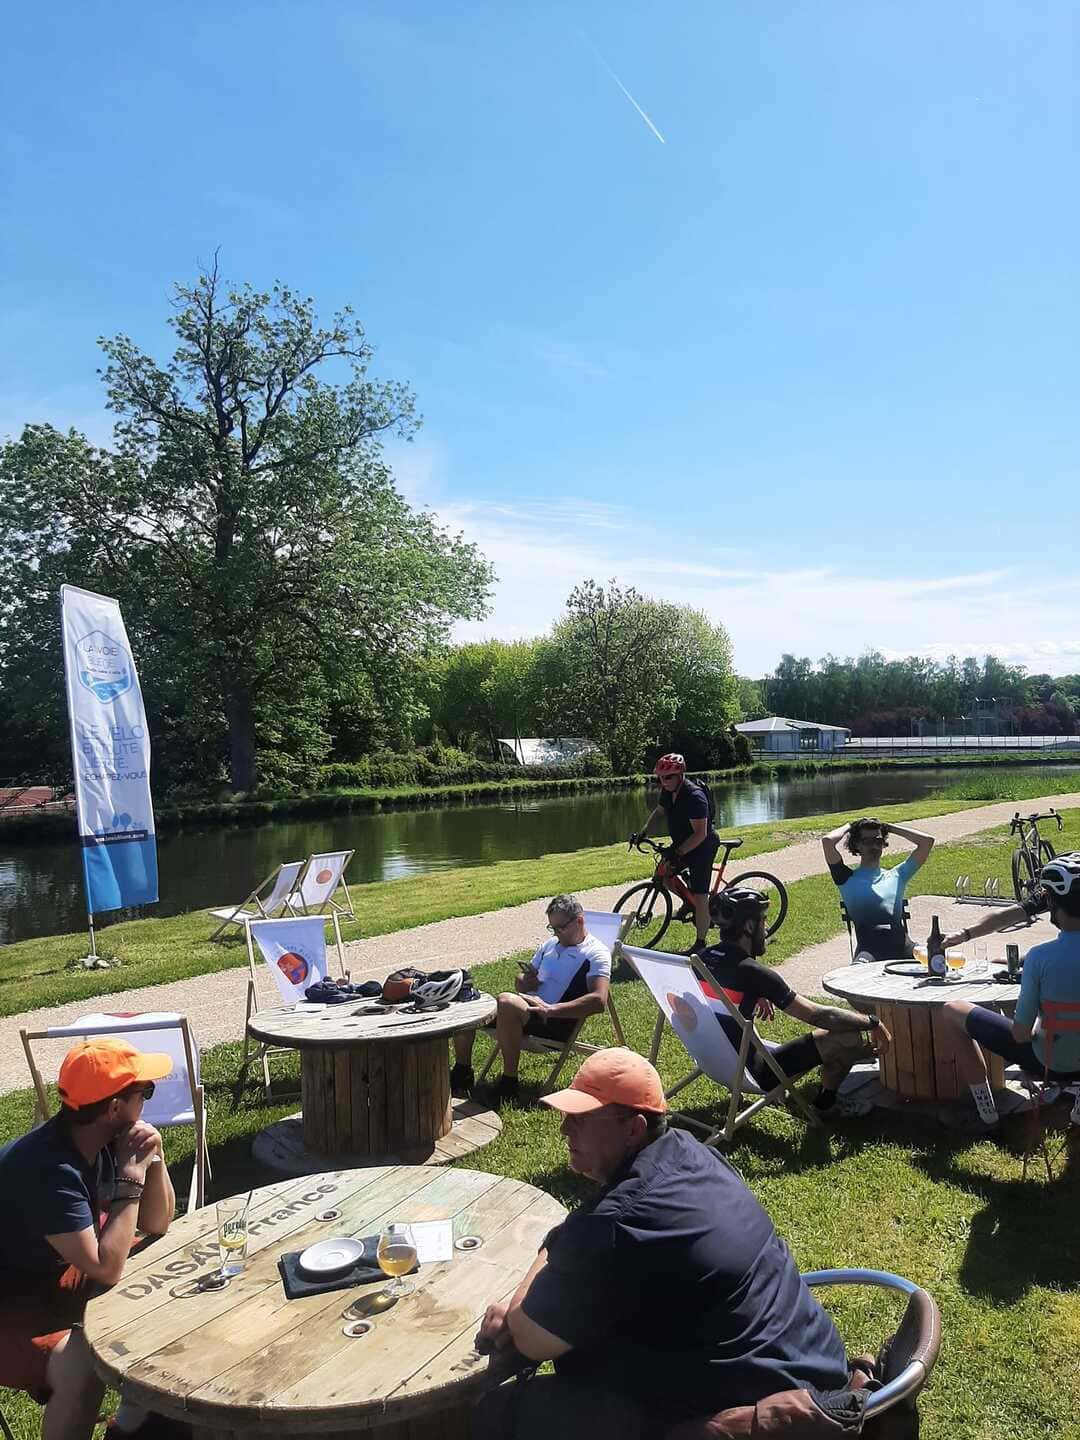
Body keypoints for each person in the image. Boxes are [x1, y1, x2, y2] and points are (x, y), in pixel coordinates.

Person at [471, 1049, 852, 1440]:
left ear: (634, 1129)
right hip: (813, 1365)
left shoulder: (618, 1221)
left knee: (498, 1411)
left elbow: (530, 1338)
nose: (565, 1129)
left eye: (582, 1119)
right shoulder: (694, 1152)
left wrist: (548, 1253)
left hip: (761, 1415)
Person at [0, 1037, 178, 1440]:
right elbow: (106, 1267)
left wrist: (155, 1158)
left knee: (161, 1279)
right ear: (114, 1107)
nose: (148, 1100)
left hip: (47, 1269)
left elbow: (157, 1223)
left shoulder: (102, 1139)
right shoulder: (51, 1171)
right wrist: (131, 1178)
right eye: (144, 1092)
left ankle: (134, 1421)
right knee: (81, 1365)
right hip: (8, 1298)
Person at [698, 887, 891, 1118]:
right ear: (749, 926)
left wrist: (754, 993)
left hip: (711, 1061)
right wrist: (871, 1022)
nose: (766, 929)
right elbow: (817, 1015)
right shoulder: (754, 973)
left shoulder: (701, 960)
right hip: (755, 1071)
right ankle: (825, 1105)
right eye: (763, 921)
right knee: (849, 1037)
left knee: (844, 1033)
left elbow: (723, 985)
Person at [941, 854, 1080, 1134]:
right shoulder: (1039, 958)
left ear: (1052, 904)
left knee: (952, 1010)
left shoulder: (1041, 958)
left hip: (1050, 1063)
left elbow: (1019, 1035)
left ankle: (986, 1114)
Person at [450, 894, 611, 1105]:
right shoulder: (550, 945)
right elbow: (521, 981)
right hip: (525, 1010)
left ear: (579, 921)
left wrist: (552, 1010)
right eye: (552, 928)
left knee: (506, 1002)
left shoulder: (596, 954)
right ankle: (463, 1073)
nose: (556, 933)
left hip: (553, 1020)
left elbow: (599, 1000)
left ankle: (509, 1084)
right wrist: (525, 981)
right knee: (468, 998)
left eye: (560, 927)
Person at [633, 752, 719, 953]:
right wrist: (643, 832)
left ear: (681, 775)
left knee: (701, 895)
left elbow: (700, 834)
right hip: (683, 842)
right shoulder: (668, 791)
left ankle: (700, 943)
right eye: (661, 778)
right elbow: (660, 812)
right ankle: (688, 904)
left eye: (669, 777)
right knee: (664, 875)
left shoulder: (694, 796)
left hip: (702, 846)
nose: (664, 781)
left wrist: (678, 852)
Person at [822, 817, 935, 961]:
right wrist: (850, 825)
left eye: (878, 841)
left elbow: (927, 842)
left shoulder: (898, 875)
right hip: (869, 952)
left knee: (937, 961)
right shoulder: (845, 878)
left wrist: (889, 827)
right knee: (855, 976)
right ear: (857, 845)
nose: (874, 846)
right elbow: (827, 842)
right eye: (867, 842)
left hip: (905, 948)